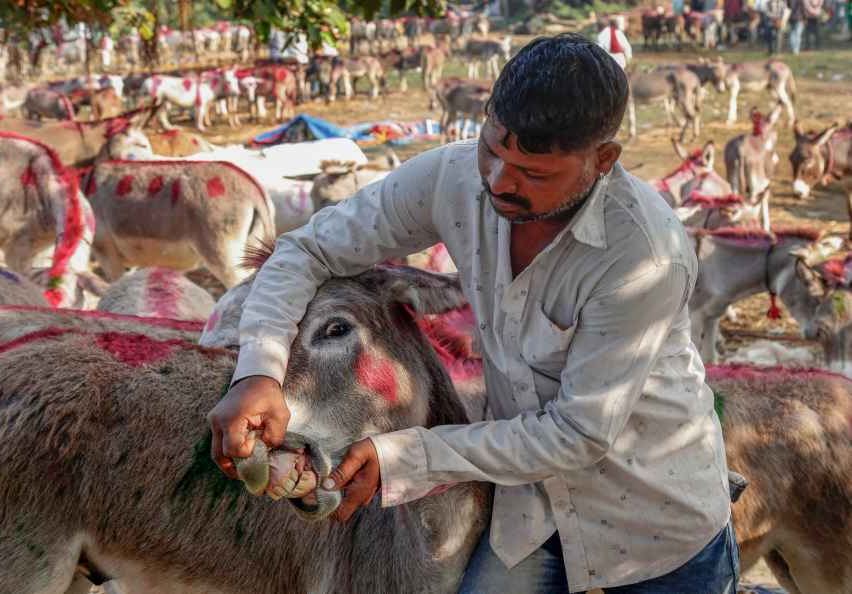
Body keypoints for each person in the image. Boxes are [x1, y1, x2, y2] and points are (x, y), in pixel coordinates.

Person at [208, 35, 738, 593]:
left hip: (655, 524)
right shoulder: (454, 176)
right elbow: (306, 250)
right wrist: (259, 370)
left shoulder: (643, 257)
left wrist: (404, 457)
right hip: (529, 513)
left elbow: (577, 434)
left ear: (602, 161)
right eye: (493, 150)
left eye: (534, 174)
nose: (499, 183)